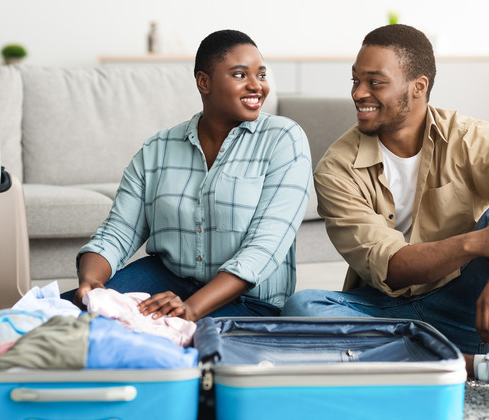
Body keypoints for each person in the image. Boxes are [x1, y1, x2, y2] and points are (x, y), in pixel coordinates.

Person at [281, 24, 489, 401]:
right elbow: (393, 266)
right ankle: (479, 366)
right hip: (384, 313)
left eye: (374, 82)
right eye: (355, 80)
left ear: (418, 87)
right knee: (301, 310)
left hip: (472, 308)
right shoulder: (336, 168)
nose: (358, 94)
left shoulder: (467, 137)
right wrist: (478, 242)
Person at [62, 30, 312, 321]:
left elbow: (263, 248)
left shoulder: (284, 139)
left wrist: (190, 308)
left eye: (262, 74)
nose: (257, 86)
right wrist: (91, 283)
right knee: (72, 313)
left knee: (155, 330)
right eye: (240, 75)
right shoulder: (158, 148)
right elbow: (117, 232)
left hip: (250, 299)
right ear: (204, 82)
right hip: (166, 278)